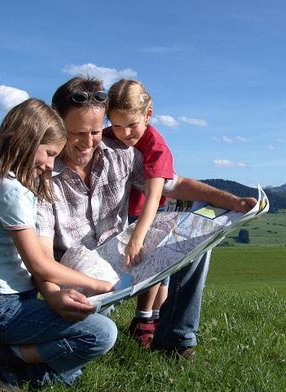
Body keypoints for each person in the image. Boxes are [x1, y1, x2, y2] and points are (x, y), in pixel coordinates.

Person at [38, 76, 256, 358]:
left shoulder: (120, 154)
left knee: (198, 242)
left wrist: (233, 201)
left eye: (95, 131)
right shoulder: (43, 173)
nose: (88, 142)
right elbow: (40, 258)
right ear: (57, 125)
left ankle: (177, 340)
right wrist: (52, 293)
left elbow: (173, 184)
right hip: (78, 275)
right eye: (77, 133)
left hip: (119, 256)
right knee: (96, 334)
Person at [0, 98, 117, 392]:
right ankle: (0, 361)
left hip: (7, 302)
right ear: (26, 141)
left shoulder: (5, 183)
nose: (50, 164)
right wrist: (99, 284)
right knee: (101, 333)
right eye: (49, 153)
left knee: (88, 318)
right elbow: (39, 264)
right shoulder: (10, 191)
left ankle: (25, 367)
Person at [104, 79, 172, 348]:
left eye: (132, 125)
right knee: (148, 268)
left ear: (148, 114)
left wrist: (138, 237)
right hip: (121, 211)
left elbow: (154, 197)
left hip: (151, 211)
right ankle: (152, 319)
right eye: (117, 125)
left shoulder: (156, 146)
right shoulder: (108, 136)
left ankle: (147, 318)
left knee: (156, 265)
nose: (124, 133)